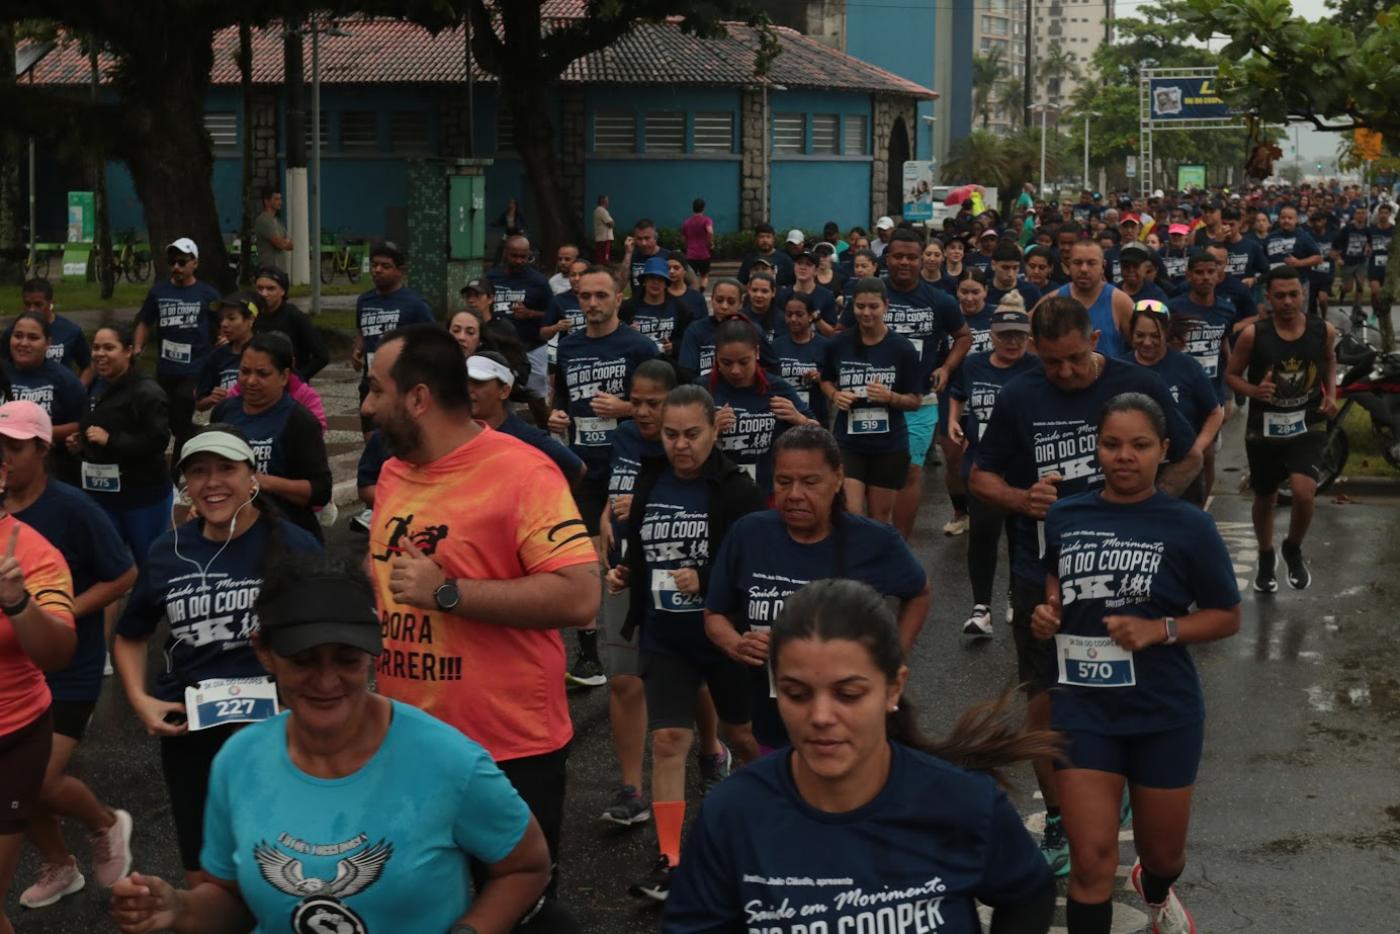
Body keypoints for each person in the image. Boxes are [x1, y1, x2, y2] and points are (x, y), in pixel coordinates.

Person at [110, 553, 553, 934]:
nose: (326, 682)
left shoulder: (447, 760)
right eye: (302, 661)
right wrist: (178, 908)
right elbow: (231, 900)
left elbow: (525, 866)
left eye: (346, 659)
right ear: (263, 650)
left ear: (375, 646)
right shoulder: (238, 761)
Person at [361, 323, 600, 925]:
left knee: (516, 909)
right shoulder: (394, 472)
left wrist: (448, 593)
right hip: (410, 739)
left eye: (374, 391)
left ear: (417, 398)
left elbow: (580, 597)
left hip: (507, 748)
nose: (364, 407)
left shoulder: (523, 472)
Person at [666, 578, 1058, 932]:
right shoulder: (733, 816)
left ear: (892, 688)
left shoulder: (964, 804)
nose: (820, 717)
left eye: (848, 694)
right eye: (796, 693)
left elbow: (1028, 895)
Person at [969, 296, 1201, 878]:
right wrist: (1022, 499)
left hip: (1132, 568)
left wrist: (1155, 514)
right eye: (1051, 363)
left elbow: (1188, 453)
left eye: (1073, 359)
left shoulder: (1135, 385)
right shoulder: (1021, 393)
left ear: (1094, 342)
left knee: (1129, 681)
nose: (1064, 373)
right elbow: (980, 476)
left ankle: (1120, 776)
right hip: (1040, 569)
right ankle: (1056, 814)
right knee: (1045, 696)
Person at [1032, 393, 1242, 934]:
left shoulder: (1188, 524)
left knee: (1166, 855)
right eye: (1112, 444)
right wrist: (1049, 612)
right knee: (1092, 860)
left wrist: (1160, 630)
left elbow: (1227, 616)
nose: (1124, 456)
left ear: (1163, 450)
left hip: (1163, 711)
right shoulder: (1065, 514)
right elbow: (1056, 579)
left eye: (1140, 445)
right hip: (1083, 707)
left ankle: (1154, 885)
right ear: (1096, 448)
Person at [113, 427, 322, 887]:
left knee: (288, 864)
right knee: (205, 872)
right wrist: (139, 699)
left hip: (277, 729)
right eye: (198, 471)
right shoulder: (167, 552)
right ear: (185, 484)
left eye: (227, 468)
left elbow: (329, 638)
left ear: (253, 479)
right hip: (191, 732)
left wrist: (308, 698)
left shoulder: (293, 546)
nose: (212, 482)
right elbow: (131, 634)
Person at [607, 385, 765, 902]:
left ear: (714, 430)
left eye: (692, 434)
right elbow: (648, 549)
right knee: (669, 741)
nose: (680, 445)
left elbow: (753, 570)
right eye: (671, 434)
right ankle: (671, 860)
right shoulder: (652, 480)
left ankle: (758, 830)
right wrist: (627, 573)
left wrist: (706, 577)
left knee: (743, 739)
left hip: (723, 641)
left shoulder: (737, 490)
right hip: (665, 636)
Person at [704, 425, 929, 753]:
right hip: (772, 719)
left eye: (810, 482)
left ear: (837, 478)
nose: (795, 494)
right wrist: (736, 644)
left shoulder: (874, 541)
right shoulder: (749, 534)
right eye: (784, 482)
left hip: (847, 725)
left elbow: (919, 593)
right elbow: (714, 614)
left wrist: (892, 659)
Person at [0, 403, 136, 910]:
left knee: (38, 779)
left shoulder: (73, 509)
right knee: (17, 786)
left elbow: (124, 576)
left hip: (67, 666)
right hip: (13, 668)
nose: (5, 458)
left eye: (15, 447)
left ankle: (104, 824)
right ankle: (60, 863)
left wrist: (58, 612)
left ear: (42, 448)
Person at [550, 267, 662, 687]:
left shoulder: (638, 346)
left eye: (601, 296)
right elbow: (562, 396)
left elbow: (668, 404)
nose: (592, 304)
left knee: (630, 554)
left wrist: (627, 410)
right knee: (586, 558)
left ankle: (650, 637)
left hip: (632, 466)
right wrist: (557, 414)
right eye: (585, 296)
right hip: (584, 468)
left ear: (618, 298)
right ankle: (590, 656)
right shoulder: (570, 345)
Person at [0, 438, 78, 934]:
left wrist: (16, 602)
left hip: (13, 737)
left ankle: (99, 828)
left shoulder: (32, 551)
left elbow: (59, 653)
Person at [1225, 267, 1337, 592]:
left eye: (1293, 294)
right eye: (1280, 296)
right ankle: (1265, 554)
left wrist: (1332, 394)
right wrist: (1252, 391)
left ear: (1303, 293)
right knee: (1265, 495)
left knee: (1304, 494)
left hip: (1307, 422)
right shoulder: (1254, 335)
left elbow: (1329, 361)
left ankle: (1293, 546)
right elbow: (1232, 375)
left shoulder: (1322, 330)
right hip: (1266, 428)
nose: (1287, 302)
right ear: (1269, 298)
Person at [852, 228, 969, 541]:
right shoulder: (869, 296)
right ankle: (870, 540)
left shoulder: (940, 300)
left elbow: (964, 336)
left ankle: (899, 544)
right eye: (898, 256)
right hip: (870, 399)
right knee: (869, 473)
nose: (904, 262)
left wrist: (946, 367)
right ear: (886, 258)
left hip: (919, 399)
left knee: (909, 470)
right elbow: (842, 336)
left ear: (923, 260)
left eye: (911, 257)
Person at [949, 306, 1040, 639]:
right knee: (984, 534)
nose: (1012, 342)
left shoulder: (1037, 368)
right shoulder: (974, 365)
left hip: (1023, 465)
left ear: (1028, 338)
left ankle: (1016, 595)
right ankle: (981, 608)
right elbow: (958, 395)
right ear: (992, 336)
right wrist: (952, 420)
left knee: (1020, 535)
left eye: (1018, 336)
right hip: (982, 463)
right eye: (1005, 336)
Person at [820, 278, 923, 525]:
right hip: (849, 441)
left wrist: (890, 397)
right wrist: (835, 395)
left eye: (873, 307)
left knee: (880, 517)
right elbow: (825, 380)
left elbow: (915, 400)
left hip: (889, 444)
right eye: (860, 306)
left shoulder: (902, 349)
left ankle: (877, 562)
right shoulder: (838, 344)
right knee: (851, 513)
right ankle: (853, 563)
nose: (866, 313)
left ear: (886, 306)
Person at [68, 324, 172, 569]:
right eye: (95, 348)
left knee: (149, 564)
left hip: (143, 496)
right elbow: (95, 427)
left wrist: (111, 440)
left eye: (108, 347)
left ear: (128, 351)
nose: (99, 354)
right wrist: (81, 443)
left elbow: (158, 441)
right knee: (107, 566)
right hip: (102, 493)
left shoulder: (147, 391)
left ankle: (151, 607)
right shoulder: (97, 385)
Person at [210, 334, 331, 541]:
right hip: (233, 534)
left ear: (284, 376)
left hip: (286, 536)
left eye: (262, 374)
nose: (250, 381)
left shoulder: (299, 420)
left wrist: (264, 482)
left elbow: (320, 490)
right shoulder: (224, 412)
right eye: (245, 371)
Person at [1122, 302, 1224, 506]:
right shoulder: (1120, 368)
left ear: (1166, 333)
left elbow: (1215, 412)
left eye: (1155, 336)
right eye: (1140, 335)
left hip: (1181, 468)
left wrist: (1197, 448)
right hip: (1136, 471)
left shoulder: (1188, 367)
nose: (1147, 342)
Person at [133, 238, 220, 472]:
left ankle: (175, 472)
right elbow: (144, 321)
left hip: (195, 368)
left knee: (181, 415)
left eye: (182, 262)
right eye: (172, 262)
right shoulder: (159, 291)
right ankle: (206, 437)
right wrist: (137, 347)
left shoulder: (207, 294)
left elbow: (223, 322)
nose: (176, 268)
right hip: (165, 369)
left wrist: (222, 341)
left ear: (195, 263)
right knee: (168, 421)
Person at [711, 319, 817, 493]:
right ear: (716, 357)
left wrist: (799, 419)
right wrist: (711, 429)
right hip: (721, 490)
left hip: (770, 490)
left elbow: (820, 433)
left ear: (757, 353)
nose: (735, 371)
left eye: (744, 362)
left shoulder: (777, 388)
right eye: (727, 363)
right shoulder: (704, 389)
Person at [351, 241, 435, 436]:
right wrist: (358, 349)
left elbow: (432, 342)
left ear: (400, 271)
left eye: (385, 266)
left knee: (398, 444)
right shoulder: (365, 300)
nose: (378, 270)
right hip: (370, 384)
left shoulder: (415, 305)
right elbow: (362, 332)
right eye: (374, 265)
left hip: (401, 387)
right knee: (372, 443)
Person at [467, 352, 584, 483]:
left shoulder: (526, 437)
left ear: (504, 391)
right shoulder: (455, 434)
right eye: (465, 382)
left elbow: (576, 468)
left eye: (478, 383)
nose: (468, 389)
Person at [1039, 240, 1134, 359]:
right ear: (1069, 265)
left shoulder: (1119, 302)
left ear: (1103, 266)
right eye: (1078, 263)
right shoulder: (1052, 300)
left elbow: (1141, 346)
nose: (1084, 269)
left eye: (1091, 263)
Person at [489, 235, 555, 402]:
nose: (519, 261)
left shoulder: (539, 282)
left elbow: (553, 314)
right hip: (499, 348)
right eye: (514, 256)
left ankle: (545, 427)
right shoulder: (492, 277)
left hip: (531, 347)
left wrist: (530, 313)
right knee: (499, 396)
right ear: (505, 254)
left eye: (523, 257)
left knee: (537, 398)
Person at [678, 278, 779, 382]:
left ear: (740, 303)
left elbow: (773, 367)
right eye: (719, 300)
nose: (724, 306)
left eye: (731, 302)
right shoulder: (696, 329)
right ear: (712, 299)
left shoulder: (752, 329)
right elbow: (687, 371)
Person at [0, 279, 92, 385]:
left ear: (51, 303)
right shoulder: (13, 332)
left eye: (38, 305)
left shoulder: (71, 331)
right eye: (27, 304)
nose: (32, 310)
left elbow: (88, 366)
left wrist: (78, 391)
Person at [251, 265, 329, 382]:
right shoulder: (252, 316)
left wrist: (297, 379)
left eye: (271, 289)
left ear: (282, 291)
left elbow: (322, 356)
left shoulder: (295, 317)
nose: (264, 294)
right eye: (260, 288)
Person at [771, 292, 830, 427]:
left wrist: (820, 377)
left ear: (810, 316)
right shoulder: (776, 346)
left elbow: (835, 382)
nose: (793, 319)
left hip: (815, 416)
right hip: (782, 419)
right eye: (789, 314)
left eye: (799, 314)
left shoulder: (825, 346)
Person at [195, 291, 261, 413]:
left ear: (250, 319)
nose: (224, 324)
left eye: (231, 318)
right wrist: (211, 399)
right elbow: (199, 403)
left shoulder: (266, 351)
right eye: (222, 319)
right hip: (228, 424)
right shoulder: (217, 356)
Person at [621, 255, 692, 356]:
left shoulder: (680, 308)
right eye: (651, 278)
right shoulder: (628, 307)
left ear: (666, 283)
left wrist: (674, 347)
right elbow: (616, 338)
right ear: (644, 281)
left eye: (660, 279)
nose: (656, 282)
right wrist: (628, 333)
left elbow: (687, 339)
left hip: (668, 364)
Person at [1366, 202, 1395, 349]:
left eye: (1386, 213)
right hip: (1374, 266)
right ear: (1378, 214)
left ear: (1390, 215)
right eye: (1381, 212)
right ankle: (1374, 311)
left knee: (1386, 295)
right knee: (1375, 291)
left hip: (1389, 268)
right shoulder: (1372, 229)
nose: (1383, 215)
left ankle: (1382, 314)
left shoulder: (1394, 230)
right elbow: (1367, 244)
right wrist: (1368, 248)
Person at [622, 218, 667, 295]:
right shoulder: (631, 256)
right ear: (634, 239)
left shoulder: (668, 256)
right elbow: (621, 283)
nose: (643, 243)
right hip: (637, 305)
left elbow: (693, 281)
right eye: (639, 239)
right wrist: (628, 254)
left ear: (655, 238)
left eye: (647, 238)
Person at [252, 187, 292, 270]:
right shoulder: (263, 220)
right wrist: (284, 242)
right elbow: (278, 243)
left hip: (280, 269)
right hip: (269, 270)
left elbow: (291, 245)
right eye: (276, 199)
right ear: (266, 201)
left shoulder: (278, 222)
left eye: (280, 199)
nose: (280, 202)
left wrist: (285, 242)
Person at [681, 198, 714, 288]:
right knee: (704, 275)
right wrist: (710, 243)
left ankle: (694, 293)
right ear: (703, 208)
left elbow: (683, 238)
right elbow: (710, 231)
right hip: (704, 254)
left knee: (692, 277)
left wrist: (686, 247)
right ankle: (702, 291)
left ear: (693, 208)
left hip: (691, 254)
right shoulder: (707, 220)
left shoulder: (687, 222)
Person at [666, 255, 709, 326]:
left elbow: (704, 323)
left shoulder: (697, 297)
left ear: (684, 271)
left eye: (676, 268)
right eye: (668, 268)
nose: (671, 271)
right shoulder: (660, 295)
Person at [593, 194, 615, 266]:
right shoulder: (602, 210)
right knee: (604, 258)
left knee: (600, 257)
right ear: (604, 201)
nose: (608, 202)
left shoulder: (597, 210)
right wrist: (612, 222)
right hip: (604, 238)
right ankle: (603, 271)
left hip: (600, 238)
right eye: (607, 200)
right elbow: (611, 223)